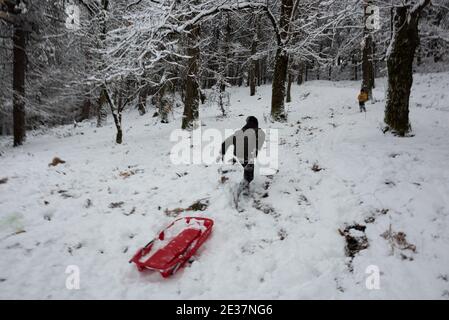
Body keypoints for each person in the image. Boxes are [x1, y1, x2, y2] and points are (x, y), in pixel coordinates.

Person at [220, 116, 265, 193]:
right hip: (248, 156)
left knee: (247, 170)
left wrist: (223, 153)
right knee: (249, 176)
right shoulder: (259, 131)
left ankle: (245, 184)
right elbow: (258, 145)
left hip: (238, 155)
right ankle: (243, 189)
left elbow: (225, 143)